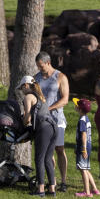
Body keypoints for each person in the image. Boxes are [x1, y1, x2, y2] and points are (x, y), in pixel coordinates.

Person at [34, 52, 70, 191]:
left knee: (59, 149)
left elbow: (65, 99)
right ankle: (52, 181)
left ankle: (63, 181)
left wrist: (48, 108)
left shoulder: (60, 77)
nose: (39, 69)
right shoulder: (36, 78)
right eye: (38, 66)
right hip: (42, 120)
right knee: (47, 151)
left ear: (48, 62)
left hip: (57, 119)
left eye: (41, 66)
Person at [18, 76, 56, 197]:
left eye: (21, 88)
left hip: (44, 128)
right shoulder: (41, 96)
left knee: (39, 159)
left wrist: (22, 120)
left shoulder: (28, 97)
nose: (21, 91)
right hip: (53, 127)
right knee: (48, 159)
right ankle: (52, 189)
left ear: (26, 86)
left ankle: (40, 190)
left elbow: (27, 119)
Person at [73, 98, 99, 198]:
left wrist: (83, 148)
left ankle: (87, 192)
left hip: (83, 147)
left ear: (79, 109)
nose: (75, 106)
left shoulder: (81, 121)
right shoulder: (86, 118)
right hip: (87, 146)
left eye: (76, 105)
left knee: (83, 169)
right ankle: (95, 189)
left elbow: (83, 135)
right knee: (86, 168)